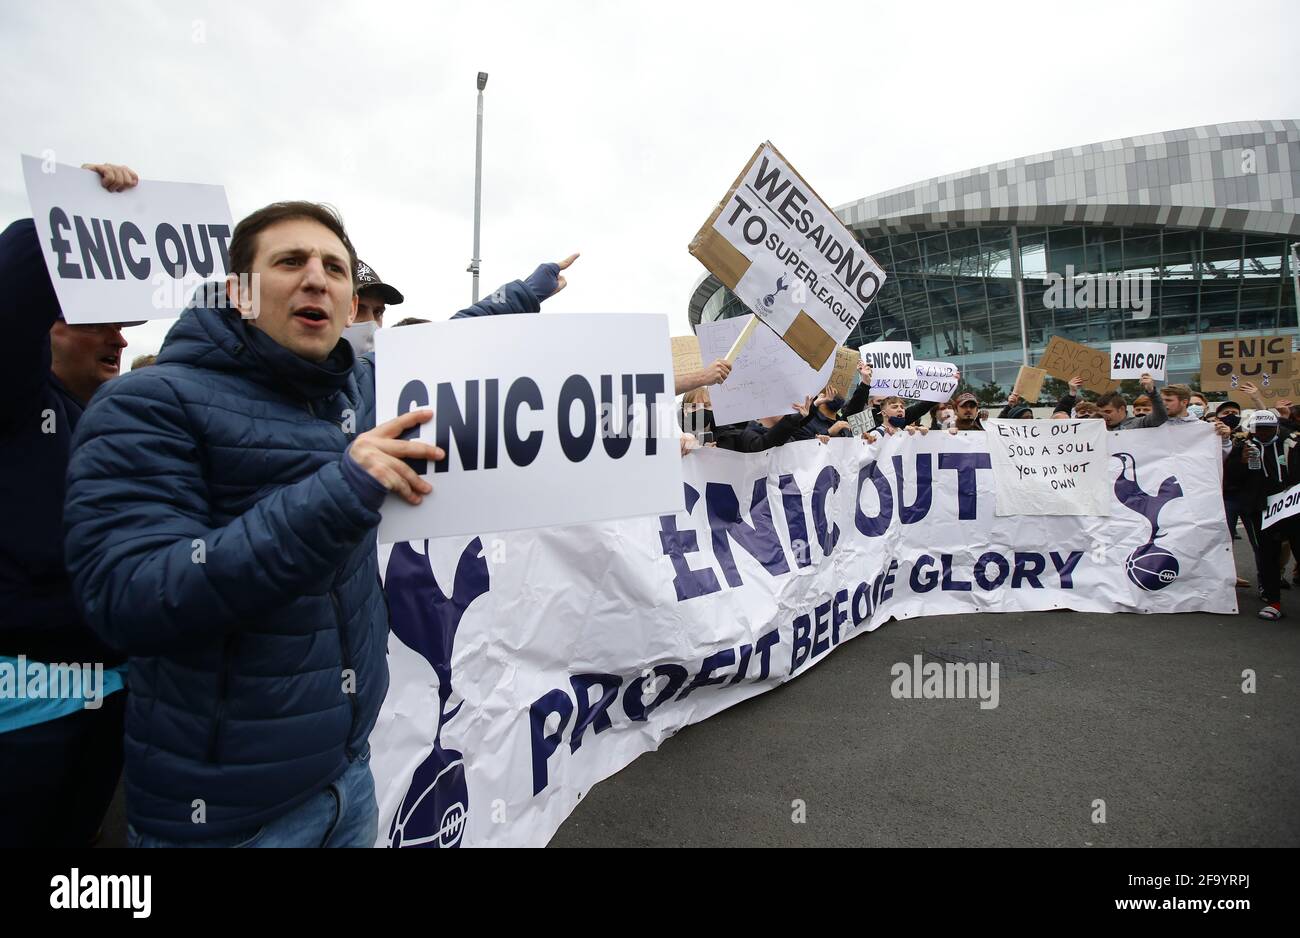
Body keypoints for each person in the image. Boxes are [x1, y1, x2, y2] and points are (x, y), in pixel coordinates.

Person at [62, 200, 572, 847]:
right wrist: (341, 491)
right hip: (225, 817)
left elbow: (444, 344)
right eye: (290, 261)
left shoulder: (351, 391)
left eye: (336, 267)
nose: (318, 278)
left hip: (347, 781)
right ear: (237, 290)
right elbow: (129, 597)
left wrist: (526, 292)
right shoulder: (146, 405)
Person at [0, 161, 142, 848]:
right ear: (45, 331)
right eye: (98, 323)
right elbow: (12, 286)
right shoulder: (15, 404)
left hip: (106, 702)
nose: (120, 338)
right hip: (23, 716)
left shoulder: (102, 424)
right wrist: (74, 213)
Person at [1224, 411, 1300, 619]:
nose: (1263, 434)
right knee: (1267, 556)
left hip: (1293, 507)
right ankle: (1273, 601)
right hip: (1262, 510)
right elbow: (1231, 480)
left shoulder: (1292, 443)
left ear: (1276, 427)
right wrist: (1241, 462)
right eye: (1259, 430)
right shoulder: (1243, 447)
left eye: (1268, 429)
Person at [1095, 374, 1166, 430]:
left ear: (1121, 409)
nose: (1104, 416)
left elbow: (1160, 417)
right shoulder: (1097, 428)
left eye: (1108, 412)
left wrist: (1152, 392)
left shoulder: (1139, 424)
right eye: (1102, 413)